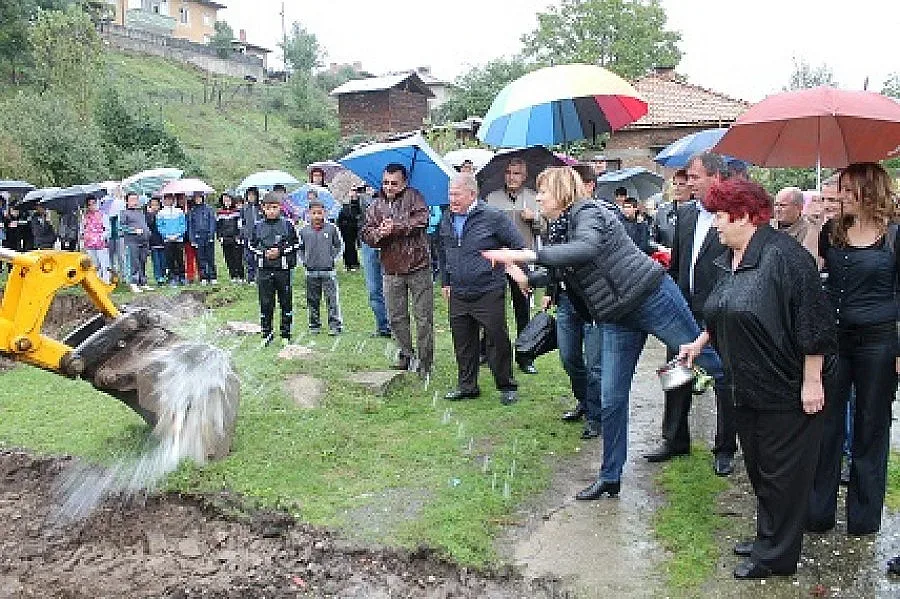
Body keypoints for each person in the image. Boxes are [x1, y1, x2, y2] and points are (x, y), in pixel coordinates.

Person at [488, 166, 725, 500]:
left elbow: (586, 248)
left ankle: (754, 416)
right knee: (612, 398)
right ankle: (610, 476)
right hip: (615, 316)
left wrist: (525, 253)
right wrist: (524, 275)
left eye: (543, 191)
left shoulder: (590, 212)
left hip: (651, 297)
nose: (538, 198)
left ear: (562, 192)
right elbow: (561, 271)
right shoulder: (559, 227)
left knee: (711, 363)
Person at [679, 177, 836, 579]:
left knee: (782, 476)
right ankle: (770, 537)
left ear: (744, 216)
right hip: (746, 385)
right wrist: (699, 342)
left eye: (719, 215)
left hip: (785, 386)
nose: (715, 223)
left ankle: (776, 557)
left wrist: (812, 380)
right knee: (761, 469)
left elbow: (814, 322)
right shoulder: (731, 257)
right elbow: (724, 307)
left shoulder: (785, 258)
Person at [807, 162, 899, 537]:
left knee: (871, 426)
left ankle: (863, 518)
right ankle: (818, 512)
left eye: (848, 189)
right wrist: (813, 227)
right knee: (826, 424)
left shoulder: (894, 235)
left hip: (879, 341)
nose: (842, 195)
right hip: (836, 339)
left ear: (869, 191)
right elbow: (811, 275)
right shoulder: (832, 231)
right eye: (840, 188)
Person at [644, 152, 736, 477]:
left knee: (724, 379)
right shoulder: (685, 215)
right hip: (683, 310)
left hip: (720, 313)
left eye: (695, 177)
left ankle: (725, 448)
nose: (688, 184)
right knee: (677, 373)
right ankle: (674, 439)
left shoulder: (733, 216)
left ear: (716, 178)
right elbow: (678, 266)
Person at [439, 172, 524, 406]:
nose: (452, 199)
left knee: (497, 339)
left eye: (457, 194)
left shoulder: (493, 217)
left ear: (472, 194)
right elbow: (443, 251)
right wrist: (445, 281)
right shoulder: (447, 217)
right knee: (463, 341)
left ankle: (506, 385)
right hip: (459, 290)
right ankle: (467, 386)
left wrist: (503, 261)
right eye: (450, 194)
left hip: (488, 289)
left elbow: (518, 245)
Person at [360, 163, 434, 376]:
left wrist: (396, 226)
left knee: (423, 317)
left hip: (418, 265)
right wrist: (379, 234)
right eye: (385, 182)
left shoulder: (415, 197)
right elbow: (366, 234)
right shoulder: (375, 205)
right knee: (396, 317)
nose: (389, 187)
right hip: (391, 268)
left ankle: (425, 363)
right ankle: (406, 356)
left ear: (404, 182)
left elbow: (422, 220)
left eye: (394, 183)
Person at [550, 164, 604, 439]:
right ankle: (584, 400)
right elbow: (556, 261)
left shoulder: (597, 216)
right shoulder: (558, 222)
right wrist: (550, 289)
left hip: (593, 303)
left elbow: (586, 253)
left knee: (595, 364)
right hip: (566, 300)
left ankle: (596, 416)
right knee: (569, 357)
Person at [483, 157, 541, 374]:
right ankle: (488, 350)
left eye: (516, 173)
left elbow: (545, 229)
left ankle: (525, 356)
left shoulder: (534, 198)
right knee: (492, 309)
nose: (511, 177)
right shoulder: (492, 198)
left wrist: (534, 219)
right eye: (508, 172)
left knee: (522, 309)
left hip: (521, 261)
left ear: (524, 177)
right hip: (497, 261)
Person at [249, 192, 300, 347]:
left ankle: (286, 334)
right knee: (266, 303)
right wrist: (264, 253)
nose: (271, 211)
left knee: (285, 302)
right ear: (262, 209)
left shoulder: (288, 224)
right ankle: (267, 333)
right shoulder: (257, 226)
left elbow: (297, 243)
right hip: (264, 270)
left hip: (283, 270)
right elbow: (251, 245)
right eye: (268, 208)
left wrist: (281, 251)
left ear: (280, 208)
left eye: (274, 207)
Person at [299, 199, 344, 335]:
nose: (317, 216)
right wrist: (304, 261)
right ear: (309, 214)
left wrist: (332, 258)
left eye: (320, 213)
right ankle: (314, 325)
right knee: (312, 300)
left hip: (328, 271)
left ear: (325, 213)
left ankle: (335, 325)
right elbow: (300, 248)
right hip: (311, 272)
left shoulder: (332, 229)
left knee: (332, 299)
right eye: (314, 213)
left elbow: (339, 245)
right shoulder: (304, 231)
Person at [356, 185, 391, 338]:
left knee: (391, 288)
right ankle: (383, 326)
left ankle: (395, 326)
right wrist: (354, 201)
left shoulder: (397, 199)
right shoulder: (365, 197)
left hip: (389, 244)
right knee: (374, 288)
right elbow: (354, 219)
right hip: (369, 244)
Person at [652, 169, 691, 251]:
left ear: (691, 188)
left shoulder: (699, 211)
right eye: (674, 184)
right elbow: (651, 240)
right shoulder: (662, 211)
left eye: (681, 184)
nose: (677, 188)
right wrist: (663, 249)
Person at [121, 191, 151, 292]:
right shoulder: (124, 213)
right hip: (132, 242)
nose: (134, 202)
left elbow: (144, 224)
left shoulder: (140, 212)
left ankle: (143, 282)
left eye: (136, 199)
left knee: (143, 262)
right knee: (134, 263)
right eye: (132, 199)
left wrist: (148, 232)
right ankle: (133, 283)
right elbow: (121, 227)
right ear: (127, 201)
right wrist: (133, 230)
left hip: (144, 241)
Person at [774, 186, 818, 255]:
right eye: (776, 205)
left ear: (799, 207)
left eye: (783, 205)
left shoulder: (809, 231)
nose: (777, 209)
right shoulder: (768, 226)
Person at [157, 193, 187, 286]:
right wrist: (167, 236)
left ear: (173, 200)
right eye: (166, 199)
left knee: (180, 258)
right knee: (170, 259)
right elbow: (160, 226)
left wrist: (178, 235)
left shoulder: (179, 211)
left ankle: (182, 276)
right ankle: (172, 277)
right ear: (163, 201)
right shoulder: (161, 213)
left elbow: (183, 225)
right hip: (167, 240)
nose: (168, 201)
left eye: (170, 199)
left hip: (178, 239)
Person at [188, 192, 217, 285]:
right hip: (197, 237)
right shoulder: (192, 211)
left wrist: (211, 235)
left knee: (210, 258)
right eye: (196, 198)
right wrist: (192, 239)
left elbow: (212, 222)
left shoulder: (209, 209)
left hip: (208, 236)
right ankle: (203, 276)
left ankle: (212, 276)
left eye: (199, 197)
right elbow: (190, 226)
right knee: (200, 258)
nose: (198, 199)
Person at [216, 192, 244, 283]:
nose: (226, 202)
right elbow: (218, 227)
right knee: (229, 258)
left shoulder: (237, 212)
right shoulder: (220, 213)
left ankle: (241, 276)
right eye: (225, 200)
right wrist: (220, 237)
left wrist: (239, 236)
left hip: (235, 238)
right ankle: (233, 276)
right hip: (225, 239)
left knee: (238, 258)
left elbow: (240, 226)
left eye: (228, 200)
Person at [82, 195, 110, 283]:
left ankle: (105, 281)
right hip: (89, 244)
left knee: (103, 263)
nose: (92, 206)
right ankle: (96, 281)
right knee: (94, 264)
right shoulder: (85, 216)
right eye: (89, 204)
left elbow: (107, 230)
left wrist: (101, 237)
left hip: (100, 244)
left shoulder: (103, 215)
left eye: (93, 203)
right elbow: (83, 229)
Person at [240, 187, 261, 283]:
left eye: (253, 195)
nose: (251, 197)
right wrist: (242, 234)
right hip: (248, 236)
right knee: (249, 257)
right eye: (249, 195)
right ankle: (251, 277)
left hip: (259, 236)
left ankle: (259, 276)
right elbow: (241, 223)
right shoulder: (244, 208)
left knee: (259, 256)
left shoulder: (260, 207)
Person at [145, 197, 167, 285]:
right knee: (156, 262)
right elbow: (149, 225)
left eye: (156, 205)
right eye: (152, 205)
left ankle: (164, 275)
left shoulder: (163, 214)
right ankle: (158, 277)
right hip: (153, 242)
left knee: (164, 261)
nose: (155, 207)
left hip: (163, 241)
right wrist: (150, 214)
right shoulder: (147, 216)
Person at [336, 193, 360, 272]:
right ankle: (349, 264)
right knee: (347, 247)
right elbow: (339, 220)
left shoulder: (355, 204)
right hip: (345, 229)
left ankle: (353, 264)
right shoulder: (342, 207)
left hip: (350, 229)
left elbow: (355, 215)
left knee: (350, 246)